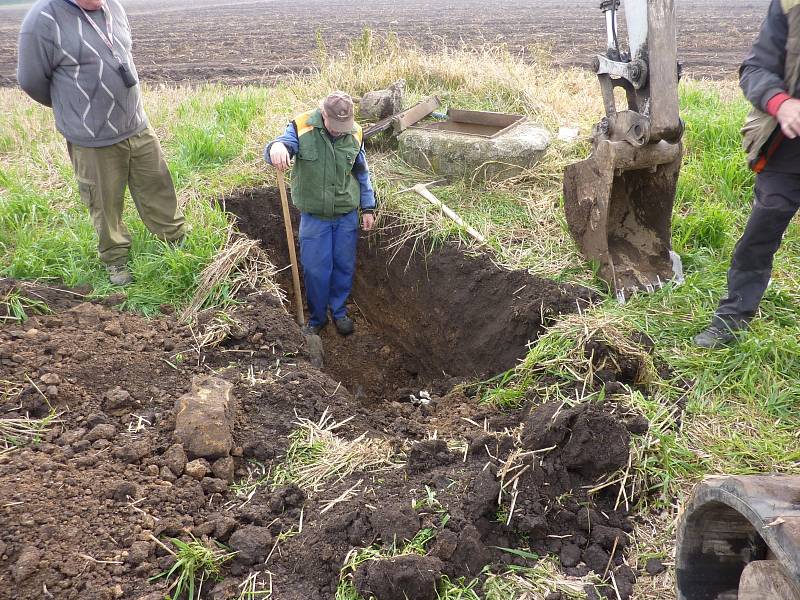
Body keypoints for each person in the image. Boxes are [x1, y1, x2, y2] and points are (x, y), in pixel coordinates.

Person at [17, 0, 187, 287]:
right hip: (92, 138)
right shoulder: (43, 19)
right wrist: (73, 107)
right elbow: (31, 81)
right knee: (104, 203)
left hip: (136, 124)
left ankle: (175, 241)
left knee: (158, 185)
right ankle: (116, 260)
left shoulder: (113, 7)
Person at [695, 0, 800, 348]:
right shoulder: (789, 5)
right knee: (761, 231)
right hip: (789, 146)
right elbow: (755, 69)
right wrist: (781, 103)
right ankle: (731, 319)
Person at [265, 92, 377, 336]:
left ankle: (338, 311)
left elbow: (362, 172)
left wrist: (367, 207)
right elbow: (283, 144)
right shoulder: (302, 126)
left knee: (343, 266)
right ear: (323, 114)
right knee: (316, 270)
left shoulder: (354, 132)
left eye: (343, 126)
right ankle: (317, 318)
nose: (339, 131)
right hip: (315, 217)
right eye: (334, 125)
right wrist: (277, 147)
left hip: (346, 214)